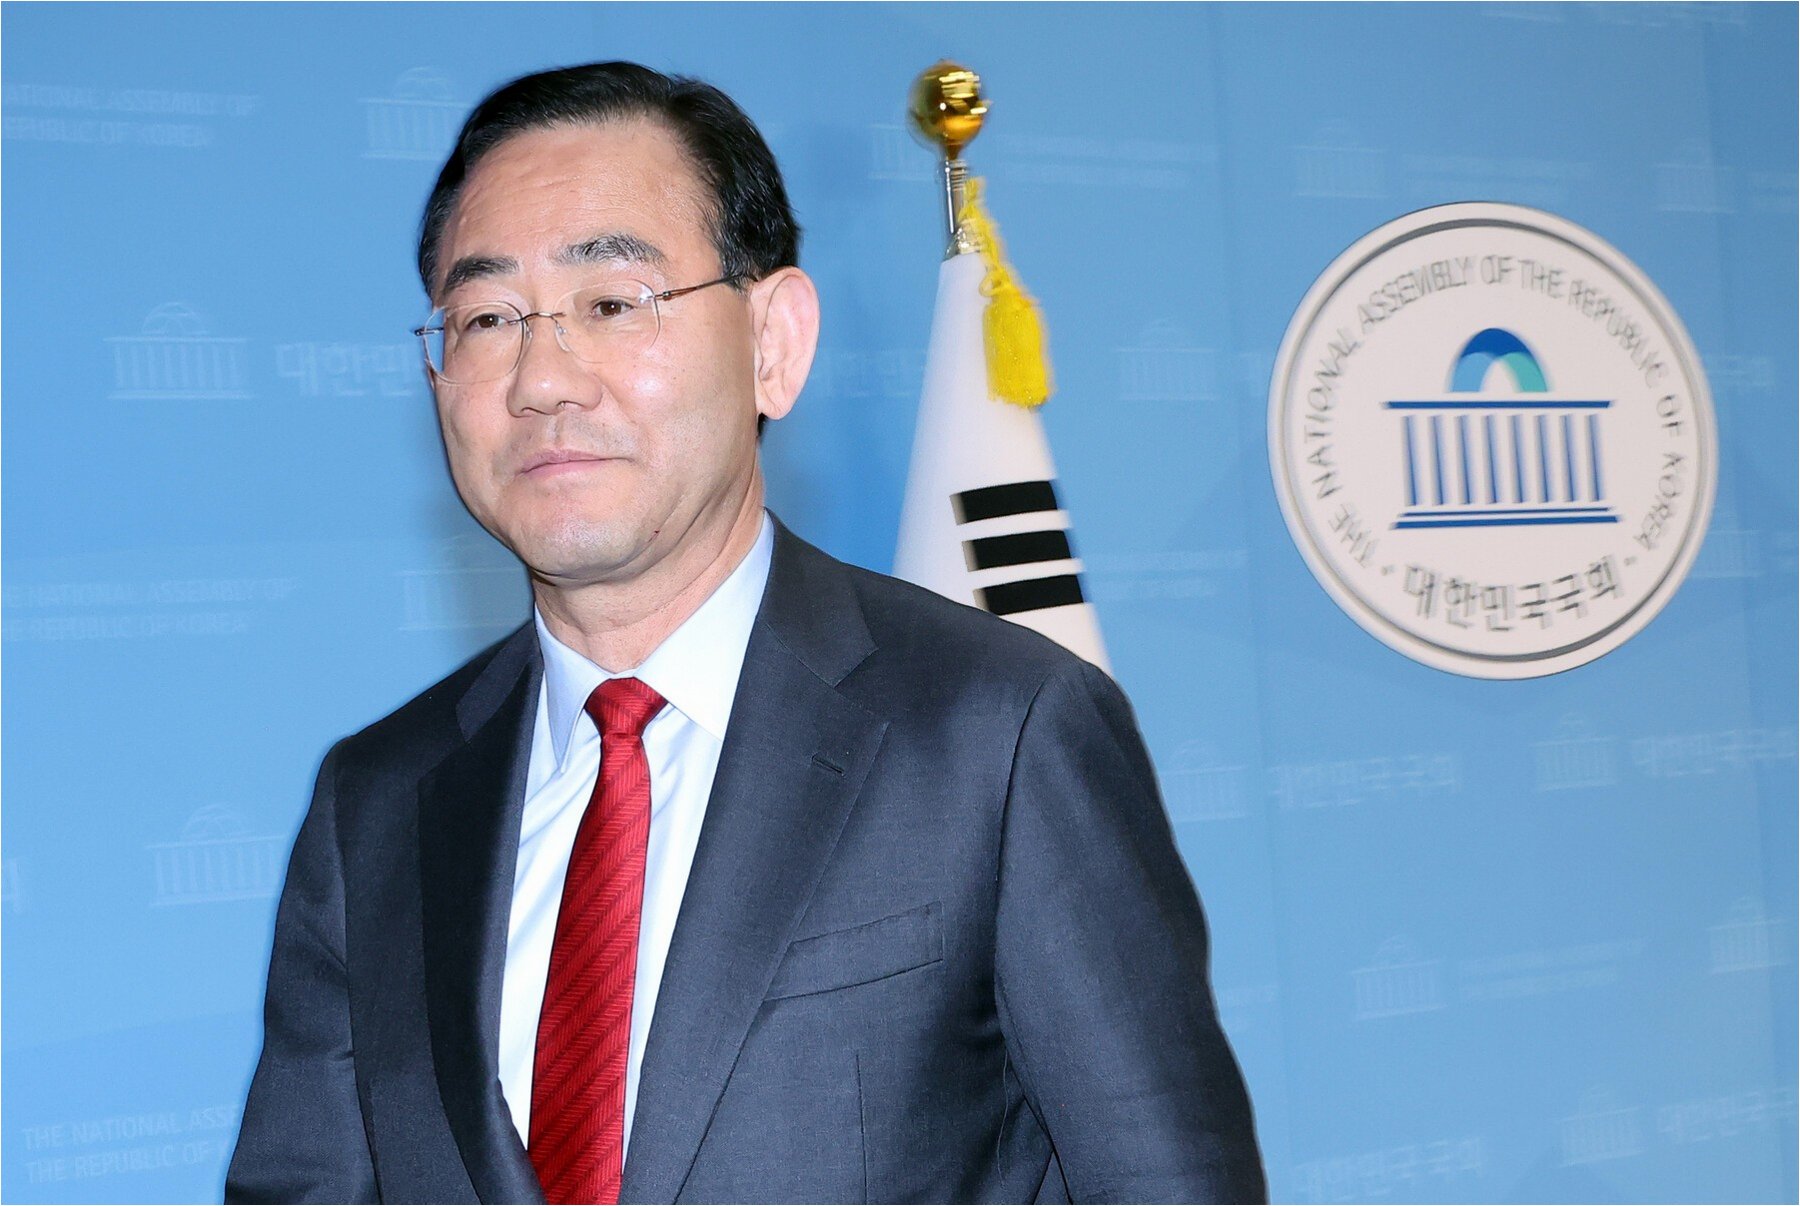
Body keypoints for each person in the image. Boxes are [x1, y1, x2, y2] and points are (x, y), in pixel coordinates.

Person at [226, 61, 1265, 1205]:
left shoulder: (998, 733)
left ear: (775, 341)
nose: (541, 379)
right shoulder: (377, 800)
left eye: (612, 303)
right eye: (486, 318)